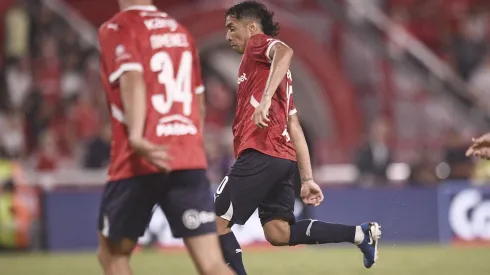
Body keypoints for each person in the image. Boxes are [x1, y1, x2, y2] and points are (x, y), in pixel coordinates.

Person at [214, 2, 382, 274]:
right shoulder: (277, 76)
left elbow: (284, 49)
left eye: (232, 28)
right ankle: (361, 235)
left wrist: (265, 99)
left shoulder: (258, 45)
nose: (227, 35)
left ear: (252, 27)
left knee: (216, 223)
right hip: (282, 159)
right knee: (279, 232)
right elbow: (294, 126)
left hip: (260, 153)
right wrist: (306, 179)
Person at [97, 1, 234, 275]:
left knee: (112, 255)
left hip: (138, 159)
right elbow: (198, 99)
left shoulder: (117, 27)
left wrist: (136, 136)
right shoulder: (180, 31)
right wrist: (193, 144)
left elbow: (132, 77)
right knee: (212, 264)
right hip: (187, 158)